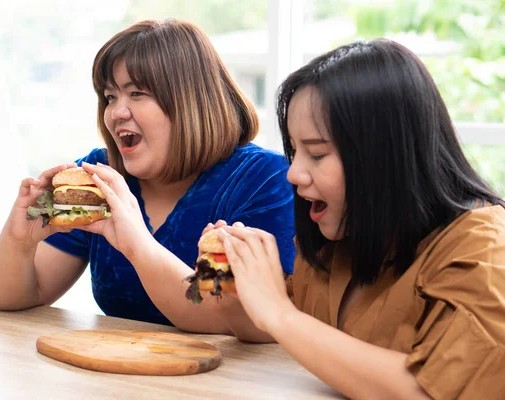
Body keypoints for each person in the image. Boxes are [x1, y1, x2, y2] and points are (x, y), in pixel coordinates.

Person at [214, 39, 505, 399]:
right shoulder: (336, 242)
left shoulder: (482, 247)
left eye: (317, 154)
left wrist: (279, 313)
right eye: (295, 150)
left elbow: (432, 391)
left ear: (385, 156)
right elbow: (286, 332)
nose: (293, 173)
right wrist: (237, 287)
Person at [0, 19, 295, 333]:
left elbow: (244, 324)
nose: (116, 112)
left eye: (138, 93)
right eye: (110, 96)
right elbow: (7, 300)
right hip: (120, 376)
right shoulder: (99, 178)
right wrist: (18, 241)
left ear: (191, 101)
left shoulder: (265, 180)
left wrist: (138, 246)